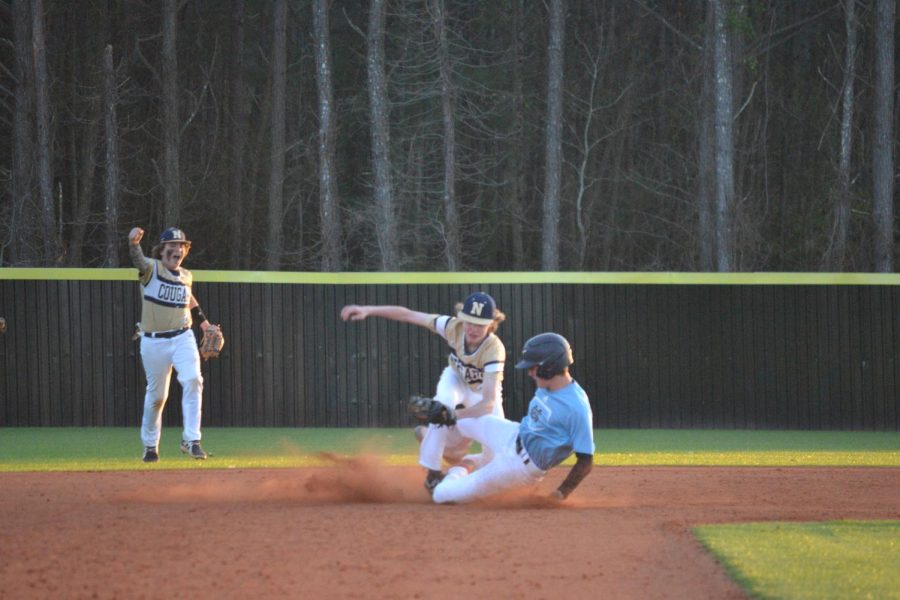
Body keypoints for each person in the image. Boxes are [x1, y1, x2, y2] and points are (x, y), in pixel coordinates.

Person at [340, 291, 507, 492]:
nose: (472, 328)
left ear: (491, 323)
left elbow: (488, 402)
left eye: (480, 324)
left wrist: (453, 415)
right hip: (455, 378)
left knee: (495, 456)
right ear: (462, 318)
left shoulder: (494, 349)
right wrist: (369, 310)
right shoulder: (452, 326)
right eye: (469, 321)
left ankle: (451, 454)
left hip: (482, 393)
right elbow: (408, 314)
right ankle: (433, 474)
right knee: (441, 404)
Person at [429, 332, 594, 504]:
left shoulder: (576, 408)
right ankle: (449, 450)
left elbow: (586, 461)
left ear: (549, 367)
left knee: (440, 495)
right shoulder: (548, 385)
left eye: (533, 367)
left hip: (518, 467)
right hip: (512, 434)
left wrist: (561, 493)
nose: (530, 373)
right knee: (455, 419)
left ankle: (461, 469)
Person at [128, 226, 212, 462]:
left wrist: (203, 322)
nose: (178, 249)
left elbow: (188, 297)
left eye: (182, 246)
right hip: (153, 341)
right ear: (162, 250)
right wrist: (134, 244)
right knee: (157, 396)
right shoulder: (151, 269)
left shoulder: (186, 275)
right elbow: (138, 260)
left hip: (182, 336)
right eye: (172, 245)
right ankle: (150, 446)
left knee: (194, 379)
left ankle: (192, 440)